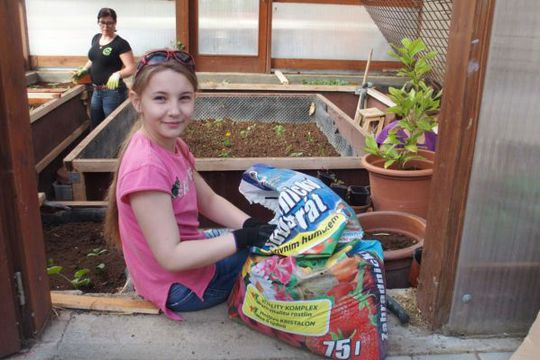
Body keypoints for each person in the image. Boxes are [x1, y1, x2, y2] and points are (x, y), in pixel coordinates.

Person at [103, 49, 274, 320]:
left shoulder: (172, 146)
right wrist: (243, 239)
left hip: (178, 259)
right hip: (178, 288)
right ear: (137, 101)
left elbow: (208, 200)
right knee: (269, 260)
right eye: (160, 99)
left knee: (254, 241)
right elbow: (171, 256)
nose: (174, 111)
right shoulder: (146, 167)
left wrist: (250, 225)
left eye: (184, 98)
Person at [72, 8, 136, 129]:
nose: (105, 26)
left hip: (112, 92)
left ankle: (117, 148)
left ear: (115, 23)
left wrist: (118, 74)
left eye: (109, 22)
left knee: (113, 127)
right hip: (96, 90)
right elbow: (93, 59)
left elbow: (131, 68)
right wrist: (84, 70)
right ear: (98, 22)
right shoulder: (96, 38)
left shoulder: (120, 44)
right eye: (102, 22)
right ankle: (100, 149)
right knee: (96, 126)